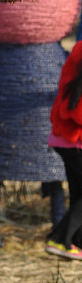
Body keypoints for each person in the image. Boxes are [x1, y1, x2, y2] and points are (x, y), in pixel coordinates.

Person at [47, 40, 82, 260]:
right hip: (75, 140)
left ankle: (75, 242)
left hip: (64, 139)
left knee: (78, 193)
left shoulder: (77, 51)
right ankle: (60, 239)